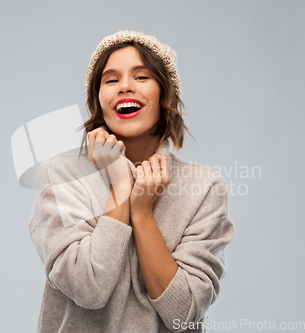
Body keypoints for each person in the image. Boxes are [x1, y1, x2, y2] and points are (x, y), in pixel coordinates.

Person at [28, 30, 236, 333]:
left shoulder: (204, 187)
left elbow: (184, 314)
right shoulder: (61, 176)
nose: (125, 86)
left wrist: (142, 213)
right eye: (111, 80)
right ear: (97, 101)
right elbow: (88, 288)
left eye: (141, 77)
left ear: (165, 94)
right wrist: (122, 187)